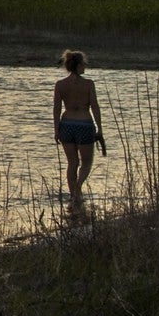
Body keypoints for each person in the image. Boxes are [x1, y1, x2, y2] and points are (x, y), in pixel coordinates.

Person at [52, 49, 104, 215]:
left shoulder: (60, 84)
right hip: (84, 124)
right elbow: (94, 106)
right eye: (84, 64)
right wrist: (100, 127)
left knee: (72, 163)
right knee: (86, 163)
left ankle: (74, 196)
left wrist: (56, 129)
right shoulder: (88, 84)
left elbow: (56, 108)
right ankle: (78, 188)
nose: (85, 68)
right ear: (78, 65)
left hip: (66, 124)